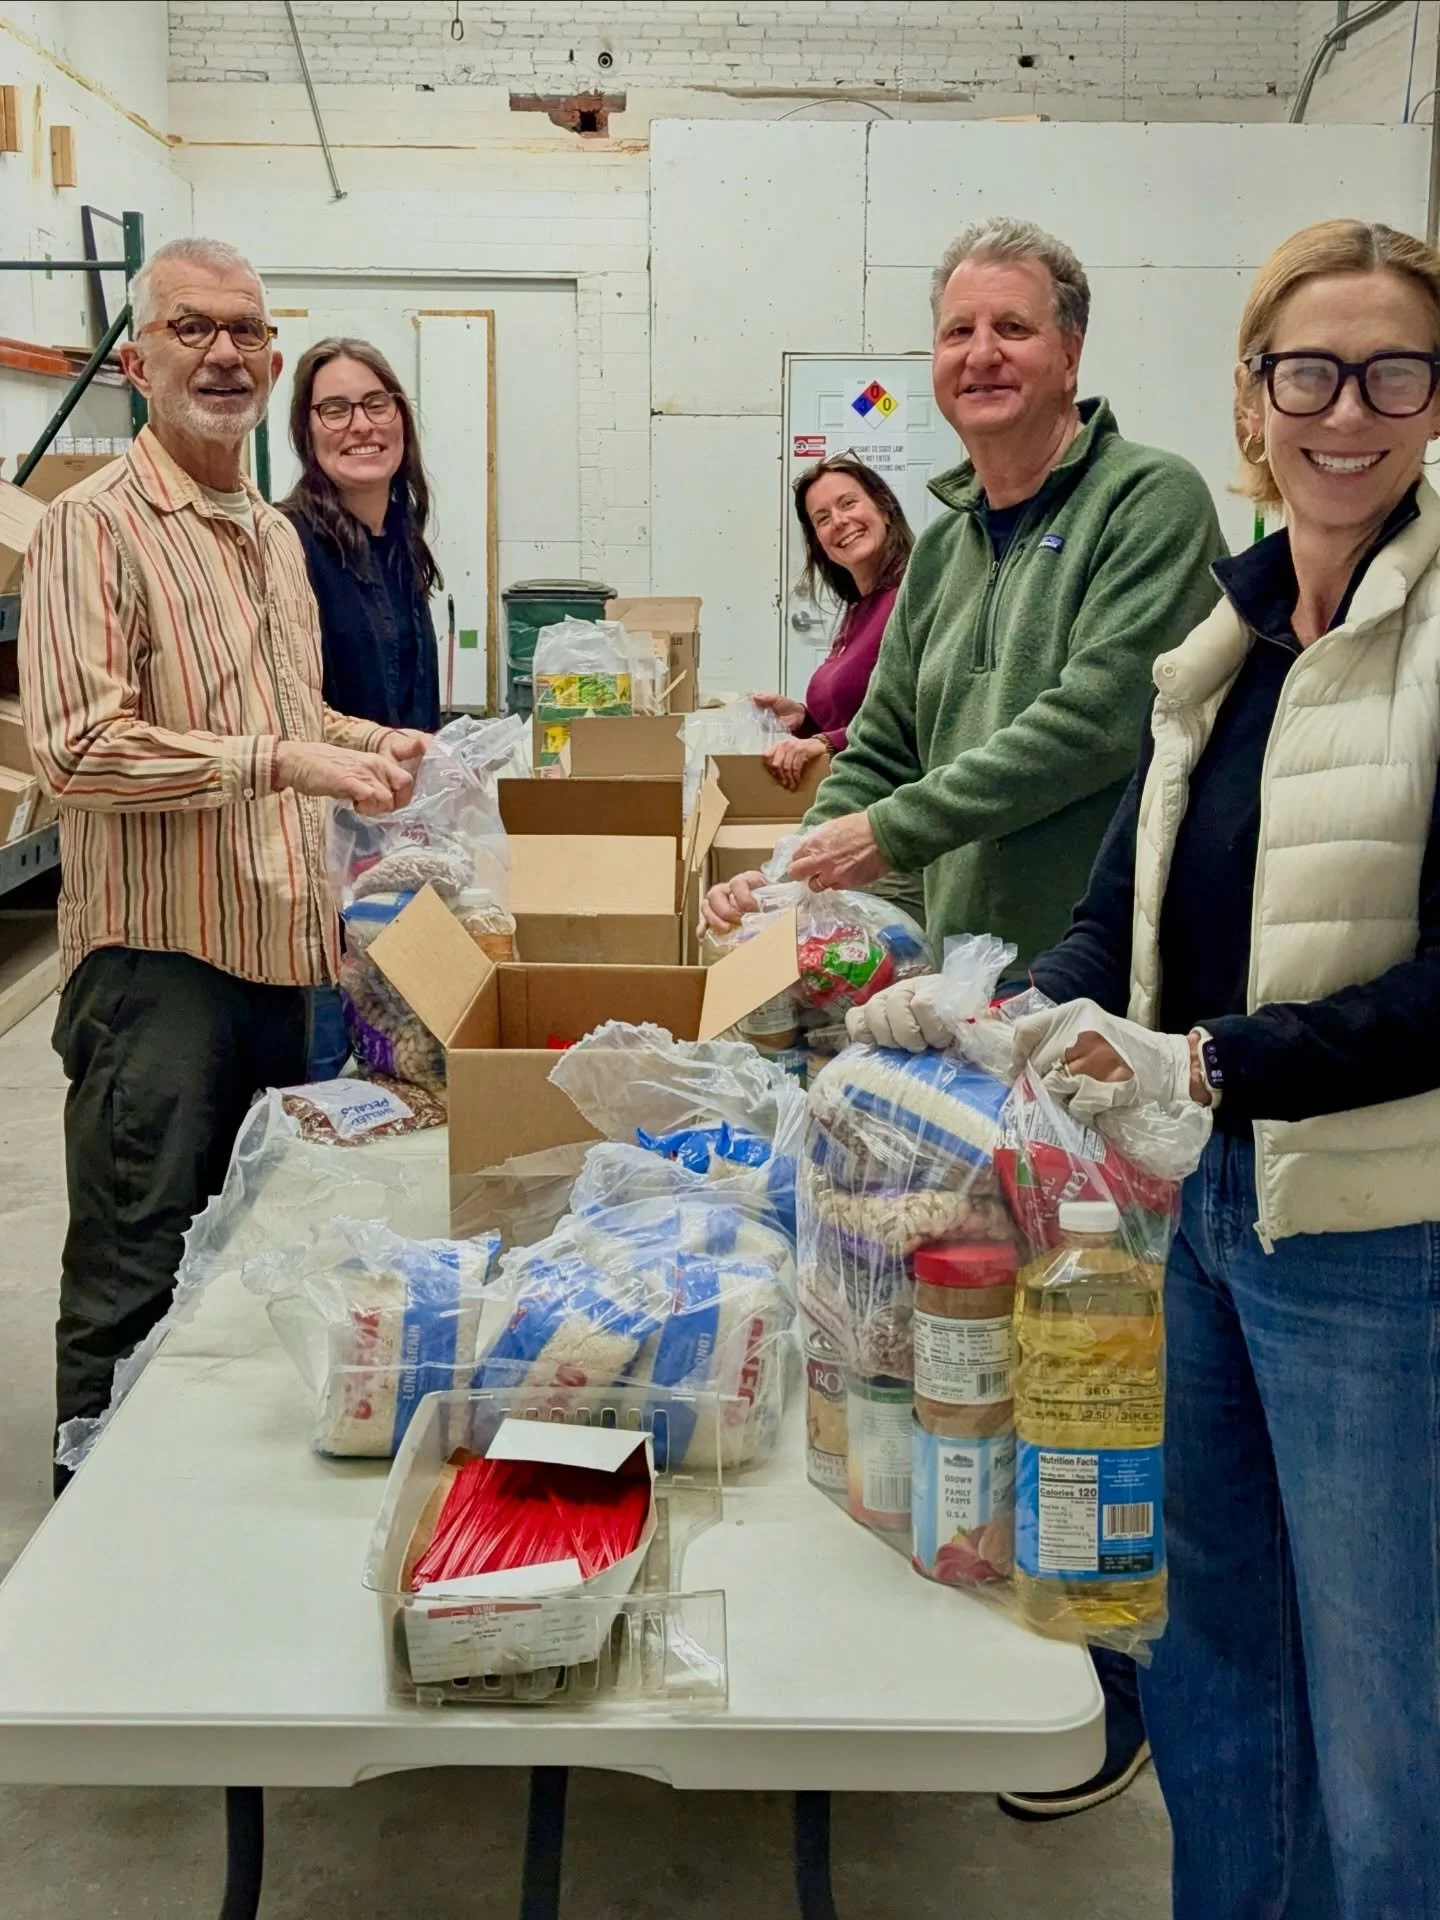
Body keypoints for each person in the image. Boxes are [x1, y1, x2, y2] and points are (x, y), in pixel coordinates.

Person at [864, 217, 1440, 1914]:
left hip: (1376, 1249)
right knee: (1211, 1669)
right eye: (1305, 370)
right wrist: (1006, 1007)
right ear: (1251, 399)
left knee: (1386, 1722)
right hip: (1198, 1219)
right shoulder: (1233, 631)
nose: (1347, 407)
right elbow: (1133, 888)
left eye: (1392, 369)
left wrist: (1206, 1061)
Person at [704, 216, 1228, 1822]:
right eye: (956, 333)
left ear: (1072, 349)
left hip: (1100, 1008)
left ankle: (1117, 1685)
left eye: (1013, 327)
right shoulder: (948, 546)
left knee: (1108, 1347)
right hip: (956, 1014)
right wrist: (809, 867)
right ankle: (989, 1626)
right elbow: (890, 736)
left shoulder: (1148, 503)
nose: (981, 356)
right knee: (959, 1322)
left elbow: (1102, 714)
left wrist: (888, 832)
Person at [18, 238, 427, 1493]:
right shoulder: (92, 529)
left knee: (245, 1255)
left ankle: (191, 1503)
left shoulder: (264, 531)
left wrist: (375, 741)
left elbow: (288, 709)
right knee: (138, 1260)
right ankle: (97, 1522)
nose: (225, 353)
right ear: (139, 361)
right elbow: (77, 749)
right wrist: (286, 765)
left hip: (280, 953)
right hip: (160, 967)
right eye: (193, 330)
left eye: (247, 331)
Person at [280, 336, 444, 1077]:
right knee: (326, 1067)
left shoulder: (400, 537)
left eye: (376, 404)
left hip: (392, 839)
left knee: (399, 1055)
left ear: (401, 418)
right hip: (318, 859)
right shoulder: (286, 542)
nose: (360, 425)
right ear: (307, 432)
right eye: (335, 409)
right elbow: (284, 702)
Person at [751, 454, 912, 793]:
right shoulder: (858, 611)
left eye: (849, 503)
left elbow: (919, 715)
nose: (839, 521)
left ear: (885, 509)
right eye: (822, 518)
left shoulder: (913, 598)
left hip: (892, 804)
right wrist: (802, 719)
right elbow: (851, 717)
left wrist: (827, 741)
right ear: (817, 542)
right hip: (849, 794)